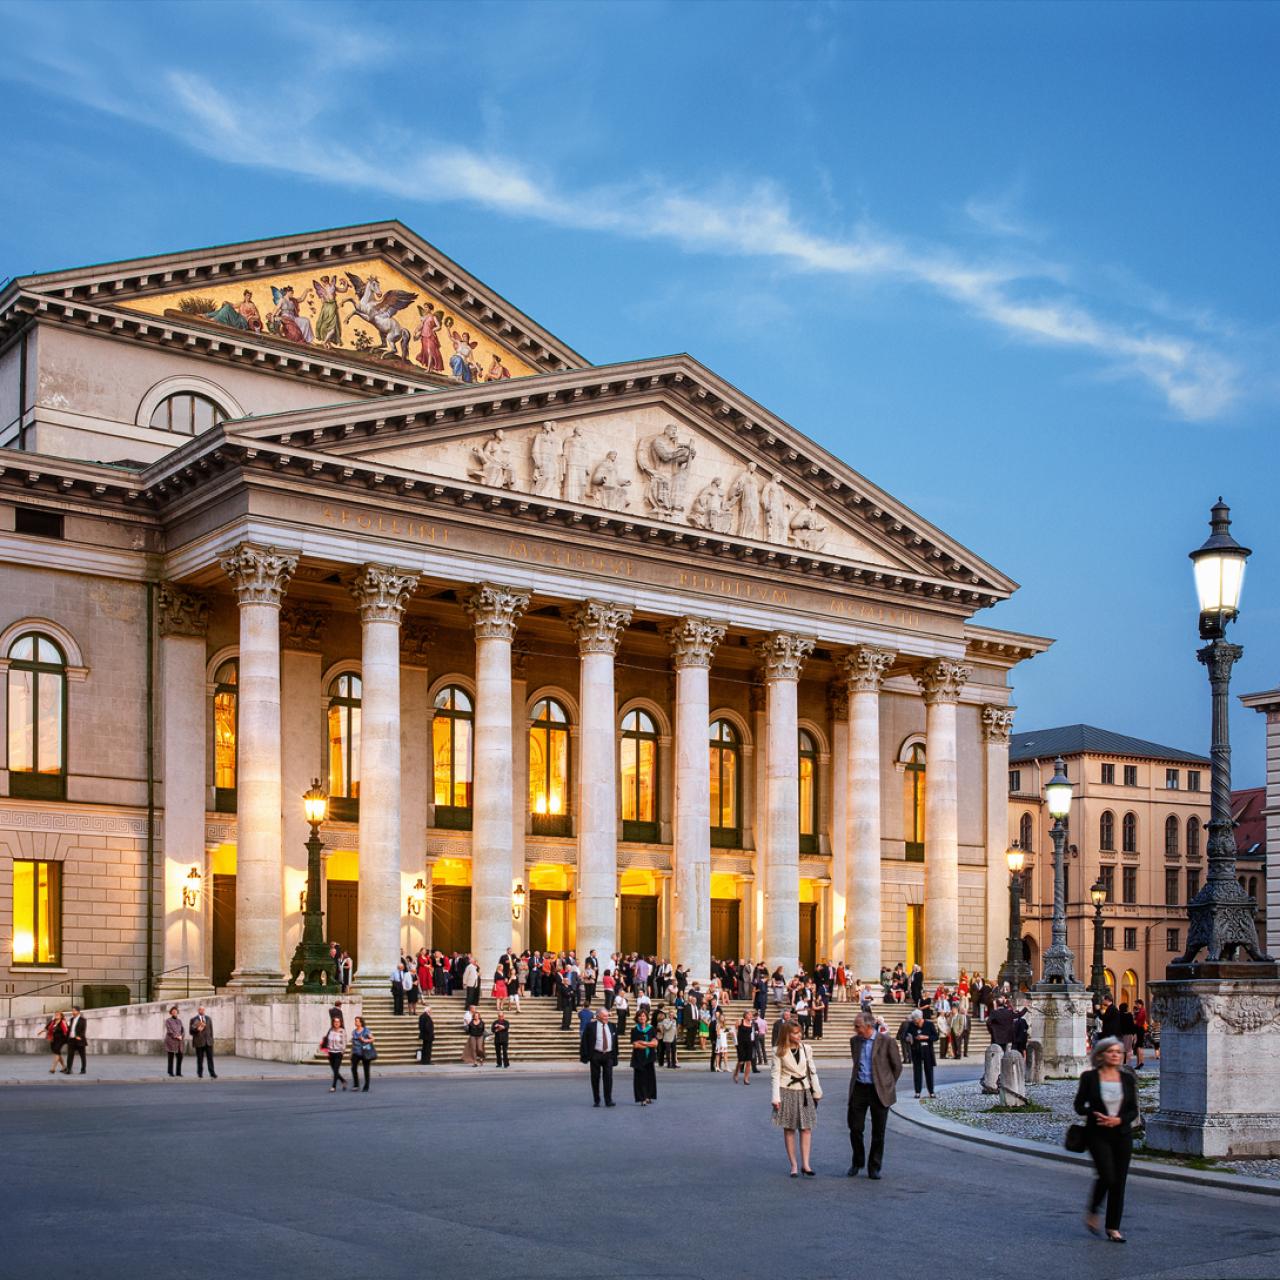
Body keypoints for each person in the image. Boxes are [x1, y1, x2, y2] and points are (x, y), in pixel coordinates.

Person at [1075, 1037, 1139, 1243]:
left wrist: (1118, 1119)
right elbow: (1079, 1106)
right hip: (1097, 1133)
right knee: (1107, 1175)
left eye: (1118, 1052)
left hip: (1122, 1134)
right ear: (1101, 1054)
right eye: (1111, 1051)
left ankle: (1113, 1227)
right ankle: (1093, 1210)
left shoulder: (1127, 1079)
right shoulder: (1089, 1078)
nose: (1115, 1055)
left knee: (1119, 1182)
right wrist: (1094, 1113)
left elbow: (1133, 1110)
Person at [847, 1010, 903, 1179]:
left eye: (858, 1026)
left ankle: (874, 1166)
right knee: (855, 1128)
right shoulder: (855, 1041)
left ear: (869, 1026)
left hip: (879, 1091)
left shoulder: (886, 1041)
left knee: (878, 1132)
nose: (855, 1029)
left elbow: (897, 1066)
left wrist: (888, 1084)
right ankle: (858, 1161)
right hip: (859, 1088)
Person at [771, 1020, 822, 1177]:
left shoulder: (807, 1049)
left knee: (806, 1128)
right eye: (795, 1033)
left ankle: (806, 1164)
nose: (799, 1035)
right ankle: (793, 1165)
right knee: (789, 1128)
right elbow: (775, 1075)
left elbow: (812, 1070)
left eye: (800, 1032)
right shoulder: (778, 1051)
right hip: (787, 1090)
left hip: (805, 1090)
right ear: (787, 1034)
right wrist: (775, 1097)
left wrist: (817, 1091)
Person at [581, 1008, 619, 1107]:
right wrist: (585, 1055)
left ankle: (608, 1100)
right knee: (595, 1078)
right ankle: (596, 1100)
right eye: (604, 1016)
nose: (607, 1017)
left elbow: (615, 1042)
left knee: (608, 1078)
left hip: (608, 1055)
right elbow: (584, 1041)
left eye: (607, 1015)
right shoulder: (590, 1026)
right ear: (598, 1016)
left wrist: (615, 1056)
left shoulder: (612, 1026)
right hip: (595, 1055)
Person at [907, 1008, 938, 1098]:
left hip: (927, 1050)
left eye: (917, 1021)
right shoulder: (911, 1025)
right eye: (914, 1022)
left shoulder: (929, 1024)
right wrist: (909, 1038)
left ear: (921, 1019)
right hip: (916, 1050)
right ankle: (917, 1091)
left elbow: (935, 1037)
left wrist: (926, 1037)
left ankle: (931, 1091)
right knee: (917, 1071)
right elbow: (905, 1035)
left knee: (929, 1071)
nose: (916, 1023)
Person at [630, 1010, 659, 1105]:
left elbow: (655, 1044)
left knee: (650, 1078)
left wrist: (643, 1043)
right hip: (638, 1057)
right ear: (637, 1018)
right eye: (640, 1016)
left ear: (646, 1017)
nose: (642, 1018)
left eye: (643, 1016)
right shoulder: (634, 1030)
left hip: (649, 1057)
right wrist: (649, 1044)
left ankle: (648, 1096)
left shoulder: (651, 1029)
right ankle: (642, 1098)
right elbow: (636, 1045)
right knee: (640, 1079)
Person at [189, 1006, 217, 1079]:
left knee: (210, 1058)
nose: (202, 1010)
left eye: (203, 1009)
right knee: (200, 1059)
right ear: (198, 1010)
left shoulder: (208, 1019)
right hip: (199, 1042)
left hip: (208, 1042)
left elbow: (211, 1031)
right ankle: (200, 1073)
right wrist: (197, 1029)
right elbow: (191, 1032)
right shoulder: (193, 1019)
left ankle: (212, 1073)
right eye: (200, 1009)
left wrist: (211, 1040)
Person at [322, 1016, 347, 1092]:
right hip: (330, 1053)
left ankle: (333, 1086)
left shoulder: (342, 1031)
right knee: (335, 1070)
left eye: (338, 1022)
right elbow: (327, 1041)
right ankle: (343, 1081)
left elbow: (344, 1042)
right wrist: (327, 1050)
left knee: (336, 1070)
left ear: (340, 1023)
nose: (336, 1023)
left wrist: (343, 1050)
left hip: (338, 1053)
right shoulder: (330, 1030)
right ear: (333, 1023)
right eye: (335, 1022)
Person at [351, 1016, 375, 1092]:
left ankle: (366, 1085)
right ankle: (356, 1085)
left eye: (357, 1021)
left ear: (361, 1022)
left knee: (366, 1069)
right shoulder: (354, 1032)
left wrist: (364, 1040)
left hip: (365, 1052)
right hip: (356, 1052)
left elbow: (373, 1039)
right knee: (353, 1068)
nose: (355, 1022)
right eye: (355, 1021)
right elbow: (353, 1043)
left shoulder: (366, 1030)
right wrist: (351, 1052)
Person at [733, 1010, 755, 1085]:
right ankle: (736, 1073)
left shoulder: (752, 1023)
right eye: (749, 1015)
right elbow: (733, 1031)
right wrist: (735, 1042)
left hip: (749, 1044)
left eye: (751, 1015)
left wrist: (753, 1042)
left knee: (748, 1062)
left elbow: (752, 1034)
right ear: (745, 1015)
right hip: (740, 1043)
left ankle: (746, 1078)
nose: (751, 1016)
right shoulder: (739, 1022)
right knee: (741, 1061)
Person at [63, 1007, 87, 1075]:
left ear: (78, 1012)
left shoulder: (83, 1020)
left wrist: (80, 1036)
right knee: (70, 1055)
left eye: (74, 1011)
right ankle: (69, 1069)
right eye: (72, 1011)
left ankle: (83, 1069)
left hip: (79, 1040)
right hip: (71, 1040)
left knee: (82, 1056)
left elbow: (83, 1030)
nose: (72, 1012)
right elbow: (69, 1029)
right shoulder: (71, 1019)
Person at [163, 1006, 185, 1077]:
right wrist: (176, 1036)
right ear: (171, 1013)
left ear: (177, 1012)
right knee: (171, 1057)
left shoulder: (179, 1021)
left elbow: (182, 1030)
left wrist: (182, 1036)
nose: (174, 1013)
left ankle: (178, 1072)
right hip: (171, 1041)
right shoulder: (168, 1020)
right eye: (173, 1012)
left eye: (175, 1012)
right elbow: (169, 1030)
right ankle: (170, 1072)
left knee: (180, 1057)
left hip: (179, 1042)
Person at [1133, 1000, 1148, 1069]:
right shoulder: (1141, 1011)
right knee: (1139, 1046)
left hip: (1139, 1029)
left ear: (1141, 1004)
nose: (1136, 1006)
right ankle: (1140, 1062)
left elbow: (1138, 1021)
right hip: (1139, 1029)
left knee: (1139, 1046)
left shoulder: (1141, 1011)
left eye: (1137, 1004)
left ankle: (1140, 1062)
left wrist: (1135, 1016)